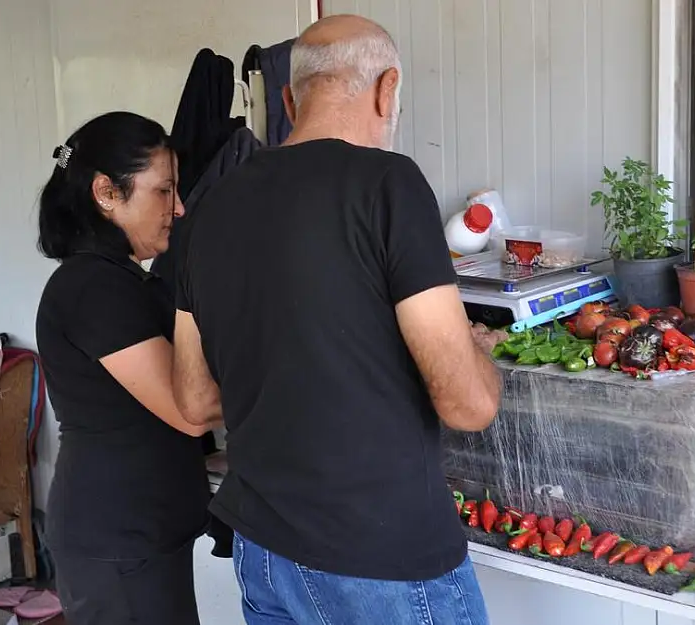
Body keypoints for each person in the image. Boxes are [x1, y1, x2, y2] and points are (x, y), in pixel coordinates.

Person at [171, 15, 501, 625]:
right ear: (387, 89)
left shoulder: (208, 210)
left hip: (263, 548)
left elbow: (193, 401)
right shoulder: (388, 184)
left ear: (290, 99)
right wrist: (479, 349)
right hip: (381, 557)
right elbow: (468, 406)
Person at [34, 111, 219, 625]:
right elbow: (190, 411)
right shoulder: (93, 288)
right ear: (106, 193)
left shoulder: (126, 280)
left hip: (142, 535)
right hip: (116, 540)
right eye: (164, 191)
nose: (178, 209)